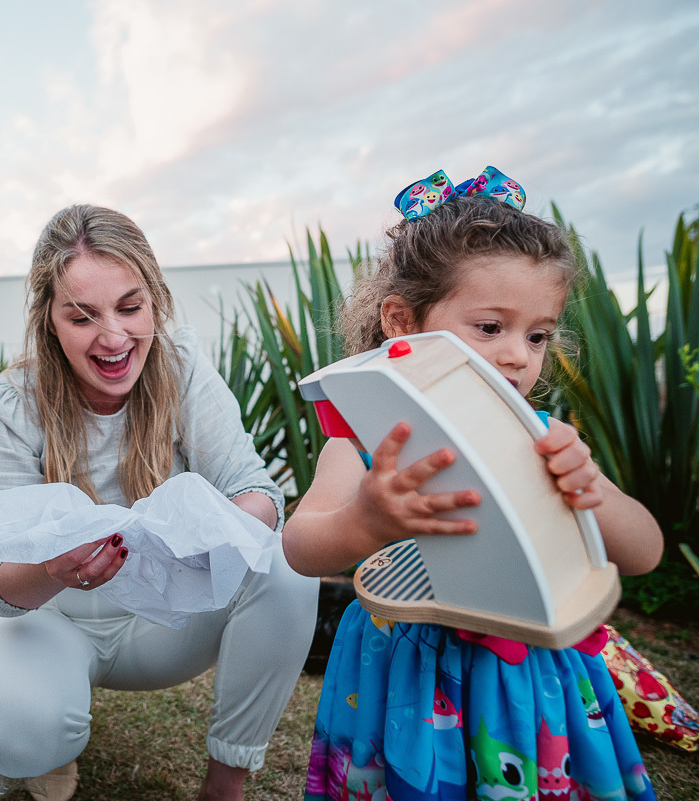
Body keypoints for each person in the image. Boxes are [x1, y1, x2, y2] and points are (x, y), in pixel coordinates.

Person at [282, 168, 664, 800]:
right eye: (491, 328)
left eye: (537, 334)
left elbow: (644, 552)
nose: (520, 354)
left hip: (528, 674)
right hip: (407, 671)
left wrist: (588, 484)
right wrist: (368, 522)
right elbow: (300, 548)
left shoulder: (541, 438)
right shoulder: (366, 441)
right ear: (402, 323)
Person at [0, 203, 321, 801]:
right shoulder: (10, 404)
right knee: (21, 736)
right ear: (49, 320)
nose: (113, 338)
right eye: (82, 317)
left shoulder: (180, 368)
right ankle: (47, 741)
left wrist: (211, 525)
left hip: (165, 619)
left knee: (286, 562)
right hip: (49, 620)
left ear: (155, 300)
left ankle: (223, 785)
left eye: (131, 308)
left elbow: (257, 493)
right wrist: (55, 570)